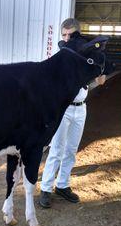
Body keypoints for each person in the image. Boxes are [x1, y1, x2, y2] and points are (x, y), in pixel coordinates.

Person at [39, 18, 106, 208]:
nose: (67, 39)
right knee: (57, 149)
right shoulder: (60, 57)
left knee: (71, 149)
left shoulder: (85, 55)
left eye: (70, 35)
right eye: (64, 35)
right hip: (64, 107)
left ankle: (62, 185)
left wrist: (101, 69)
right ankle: (45, 188)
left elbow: (99, 81)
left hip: (81, 107)